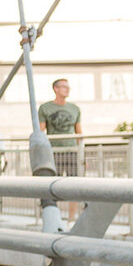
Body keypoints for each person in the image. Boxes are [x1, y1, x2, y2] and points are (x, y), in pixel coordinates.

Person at [38, 77, 83, 222]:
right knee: (51, 185)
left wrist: (83, 154)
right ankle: (53, 217)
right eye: (64, 87)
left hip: (72, 151)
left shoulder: (74, 108)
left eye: (68, 87)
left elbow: (79, 133)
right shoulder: (45, 108)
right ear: (56, 89)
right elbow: (40, 131)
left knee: (74, 184)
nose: (67, 89)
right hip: (54, 152)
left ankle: (72, 218)